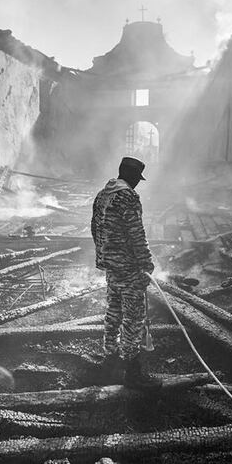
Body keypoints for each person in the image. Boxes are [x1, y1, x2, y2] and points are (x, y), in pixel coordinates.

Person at [90, 156, 161, 389]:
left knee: (113, 311)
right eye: (137, 179)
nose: (138, 184)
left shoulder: (103, 194)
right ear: (131, 176)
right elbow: (136, 234)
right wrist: (146, 264)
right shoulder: (127, 196)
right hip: (129, 268)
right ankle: (132, 371)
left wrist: (104, 255)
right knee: (133, 318)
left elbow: (94, 228)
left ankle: (109, 359)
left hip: (111, 266)